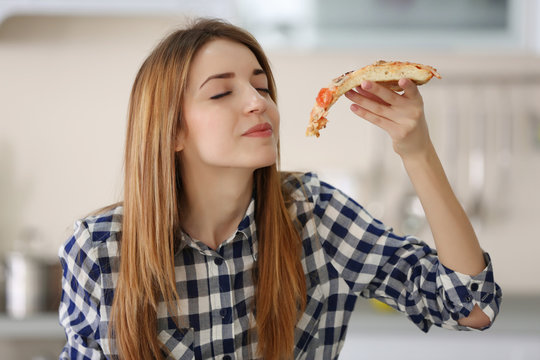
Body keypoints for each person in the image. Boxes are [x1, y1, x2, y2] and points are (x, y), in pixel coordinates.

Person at [58, 18, 502, 360]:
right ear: (172, 131)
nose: (258, 103)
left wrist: (418, 152)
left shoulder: (313, 215)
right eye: (221, 93)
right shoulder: (99, 250)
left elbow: (471, 306)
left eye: (262, 86)